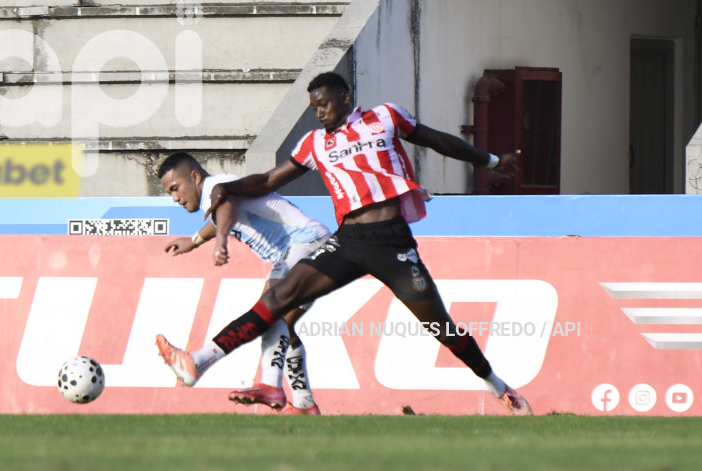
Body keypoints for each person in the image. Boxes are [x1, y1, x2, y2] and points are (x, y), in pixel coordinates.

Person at [156, 72, 533, 415]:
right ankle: (198, 363)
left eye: (324, 103)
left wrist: (491, 159)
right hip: (348, 241)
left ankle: (499, 388)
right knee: (277, 298)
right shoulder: (315, 143)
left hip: (392, 242)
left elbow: (437, 140)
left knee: (442, 329)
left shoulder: (385, 117)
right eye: (313, 107)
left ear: (345, 95)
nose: (319, 112)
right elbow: (270, 180)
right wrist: (229, 188)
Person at [157, 152, 330, 415]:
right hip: (294, 251)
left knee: (268, 312)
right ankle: (304, 403)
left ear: (194, 177)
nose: (175, 198)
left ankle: (199, 363)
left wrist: (222, 240)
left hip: (305, 243)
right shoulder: (215, 194)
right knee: (282, 323)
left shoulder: (217, 188)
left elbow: (227, 206)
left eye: (175, 188)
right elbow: (220, 215)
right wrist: (194, 241)